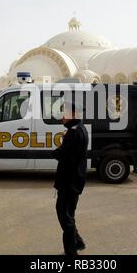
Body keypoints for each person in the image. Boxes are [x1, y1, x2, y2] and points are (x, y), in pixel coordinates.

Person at [53, 101, 89, 255]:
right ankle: (78, 242)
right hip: (74, 180)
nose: (62, 117)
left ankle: (71, 252)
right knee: (68, 215)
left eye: (65, 113)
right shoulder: (79, 129)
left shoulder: (74, 132)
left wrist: (56, 152)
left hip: (69, 182)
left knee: (65, 216)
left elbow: (65, 156)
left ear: (73, 114)